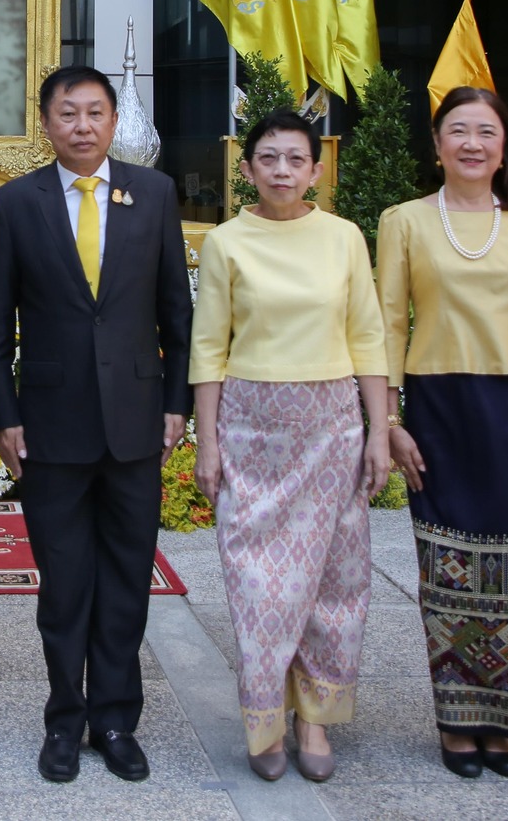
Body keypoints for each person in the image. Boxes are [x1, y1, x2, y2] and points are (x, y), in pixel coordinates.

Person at [0, 65, 192, 785]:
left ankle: (116, 718)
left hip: (136, 422)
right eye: (67, 112)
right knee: (65, 583)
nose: (82, 124)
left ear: (113, 121)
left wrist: (176, 405)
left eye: (94, 112)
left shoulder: (155, 193)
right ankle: (64, 720)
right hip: (49, 425)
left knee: (128, 579)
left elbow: (178, 313)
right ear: (46, 122)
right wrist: (2, 415)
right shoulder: (16, 202)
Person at [376, 86, 508, 780]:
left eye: (484, 131)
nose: (470, 142)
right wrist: (389, 420)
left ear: (503, 146)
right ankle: (458, 720)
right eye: (456, 130)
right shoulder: (403, 220)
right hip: (436, 411)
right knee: (447, 572)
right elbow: (387, 322)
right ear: (436, 147)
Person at [190, 109, 387, 784]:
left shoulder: (343, 238)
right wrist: (207, 442)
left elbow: (368, 335)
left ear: (317, 168)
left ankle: (316, 717)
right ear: (246, 169)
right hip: (252, 427)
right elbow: (209, 345)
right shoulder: (226, 242)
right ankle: (265, 712)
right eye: (267, 158)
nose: (280, 170)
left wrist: (379, 429)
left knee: (335, 576)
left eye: (294, 159)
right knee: (259, 583)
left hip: (332, 425)